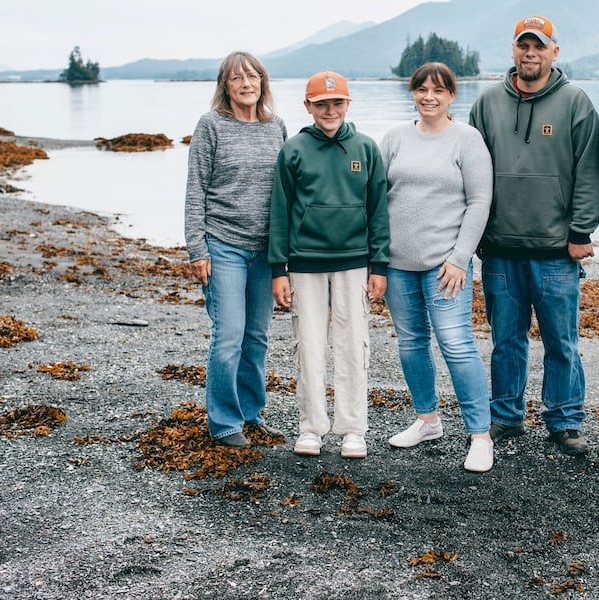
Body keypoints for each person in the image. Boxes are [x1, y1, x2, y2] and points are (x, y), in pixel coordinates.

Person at [469, 16, 599, 456]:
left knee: (561, 342)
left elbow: (589, 172)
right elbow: (470, 174)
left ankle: (564, 420)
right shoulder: (487, 103)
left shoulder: (575, 103)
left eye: (539, 46)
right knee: (506, 340)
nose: (531, 53)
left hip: (555, 250)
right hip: (499, 249)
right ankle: (506, 415)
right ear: (513, 50)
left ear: (554, 52)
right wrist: (473, 235)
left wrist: (581, 230)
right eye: (523, 45)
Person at [380, 62, 495, 472]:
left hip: (445, 266)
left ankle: (480, 435)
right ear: (413, 92)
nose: (429, 96)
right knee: (411, 343)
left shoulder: (466, 139)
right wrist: (376, 258)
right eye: (422, 89)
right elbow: (376, 199)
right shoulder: (394, 138)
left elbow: (480, 201)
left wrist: (460, 257)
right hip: (397, 265)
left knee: (457, 344)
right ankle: (427, 420)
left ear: (451, 96)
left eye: (438, 90)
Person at [268, 70, 390, 460]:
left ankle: (353, 429)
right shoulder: (294, 151)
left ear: (348, 104)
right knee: (310, 345)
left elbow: (379, 211)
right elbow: (280, 212)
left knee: (354, 344)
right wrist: (278, 269)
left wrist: (380, 264)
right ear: (308, 106)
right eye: (321, 104)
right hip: (304, 263)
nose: (330, 110)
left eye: (337, 103)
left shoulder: (367, 149)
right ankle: (312, 428)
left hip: (354, 261)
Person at [184, 51, 287, 448]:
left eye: (252, 77)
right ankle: (224, 422)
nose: (246, 84)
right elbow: (196, 190)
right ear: (224, 86)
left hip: (266, 251)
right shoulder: (211, 126)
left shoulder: (275, 126)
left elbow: (287, 190)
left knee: (257, 337)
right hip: (222, 245)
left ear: (263, 82)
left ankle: (251, 413)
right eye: (236, 78)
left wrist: (288, 253)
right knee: (228, 335)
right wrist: (197, 249)